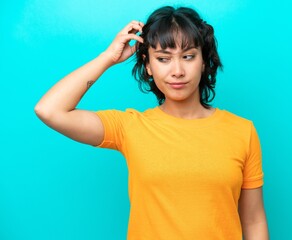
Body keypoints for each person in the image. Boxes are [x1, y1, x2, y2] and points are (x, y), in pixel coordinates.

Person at [35, 6, 269, 240]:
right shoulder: (130, 127)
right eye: (163, 59)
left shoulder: (241, 131)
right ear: (148, 65)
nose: (177, 71)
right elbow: (49, 110)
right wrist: (108, 58)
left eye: (188, 56)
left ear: (204, 61)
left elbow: (253, 220)